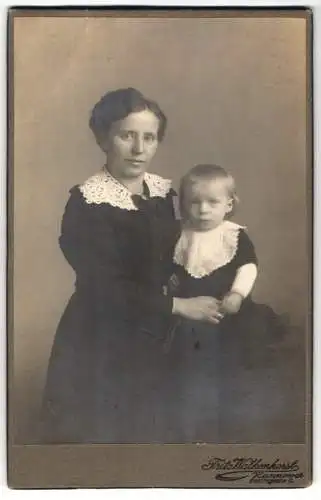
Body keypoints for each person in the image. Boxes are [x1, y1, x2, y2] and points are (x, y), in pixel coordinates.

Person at [40, 88, 221, 444]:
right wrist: (179, 306)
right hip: (103, 338)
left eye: (149, 138)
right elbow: (103, 286)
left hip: (161, 332)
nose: (139, 149)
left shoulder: (165, 193)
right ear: (103, 138)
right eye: (127, 136)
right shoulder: (87, 203)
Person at [167, 164, 293, 443]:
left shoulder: (233, 236)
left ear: (229, 204)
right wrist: (172, 282)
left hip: (230, 317)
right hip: (193, 318)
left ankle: (232, 429)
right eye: (194, 202)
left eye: (212, 202)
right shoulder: (180, 236)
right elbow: (174, 267)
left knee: (233, 371)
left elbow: (248, 268)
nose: (203, 210)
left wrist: (236, 294)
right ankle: (194, 429)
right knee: (191, 373)